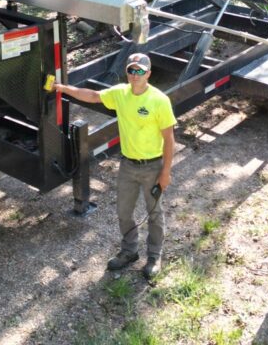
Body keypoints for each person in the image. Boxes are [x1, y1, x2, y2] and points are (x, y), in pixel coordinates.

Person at [53, 52, 176, 279]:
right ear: (127, 72)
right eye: (131, 70)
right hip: (128, 166)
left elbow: (169, 139)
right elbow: (93, 95)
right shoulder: (120, 93)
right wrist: (64, 89)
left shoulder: (159, 100)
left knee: (154, 213)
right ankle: (129, 251)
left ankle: (154, 256)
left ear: (148, 73)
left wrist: (165, 172)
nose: (135, 74)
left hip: (152, 166)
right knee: (124, 212)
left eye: (140, 71)